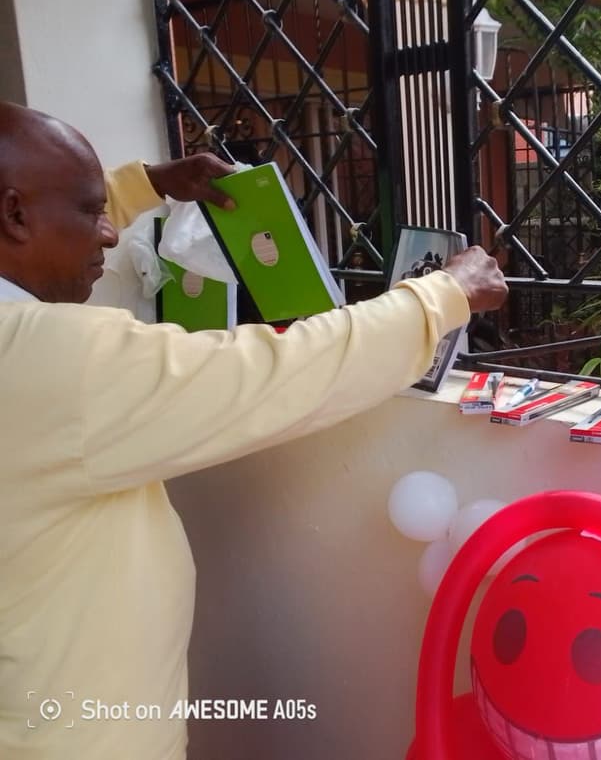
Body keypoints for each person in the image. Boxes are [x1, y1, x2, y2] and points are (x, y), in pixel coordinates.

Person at [0, 101, 507, 760]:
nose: (107, 235)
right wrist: (441, 295)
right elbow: (277, 372)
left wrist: (146, 186)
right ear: (13, 215)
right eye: (90, 212)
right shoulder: (45, 361)